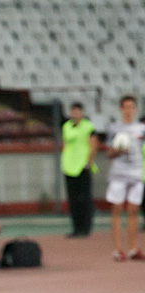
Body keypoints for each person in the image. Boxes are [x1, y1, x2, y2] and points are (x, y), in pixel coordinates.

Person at [105, 95, 145, 261]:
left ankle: (133, 248)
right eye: (126, 107)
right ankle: (117, 249)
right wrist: (118, 151)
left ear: (135, 109)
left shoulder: (141, 129)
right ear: (121, 109)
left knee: (134, 210)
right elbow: (108, 153)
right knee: (117, 209)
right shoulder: (114, 128)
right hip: (119, 174)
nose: (129, 110)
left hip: (136, 174)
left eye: (132, 107)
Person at [61, 103, 99, 238]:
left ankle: (86, 228)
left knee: (84, 199)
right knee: (73, 199)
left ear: (82, 113)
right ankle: (76, 228)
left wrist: (88, 163)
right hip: (69, 167)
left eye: (78, 111)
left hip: (82, 167)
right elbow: (65, 145)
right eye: (73, 111)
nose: (76, 114)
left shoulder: (88, 126)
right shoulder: (66, 126)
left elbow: (94, 145)